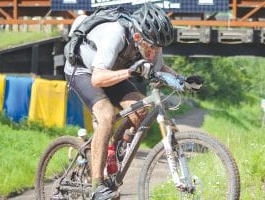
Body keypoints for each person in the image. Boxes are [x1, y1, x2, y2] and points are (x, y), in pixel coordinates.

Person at [64, 3, 203, 200]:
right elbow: (97, 79)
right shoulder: (116, 34)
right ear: (137, 37)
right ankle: (97, 186)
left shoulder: (152, 40)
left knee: (141, 110)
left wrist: (184, 80)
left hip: (111, 71)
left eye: (158, 48)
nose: (154, 53)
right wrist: (130, 71)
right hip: (83, 70)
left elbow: (160, 68)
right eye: (151, 48)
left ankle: (111, 147)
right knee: (106, 116)